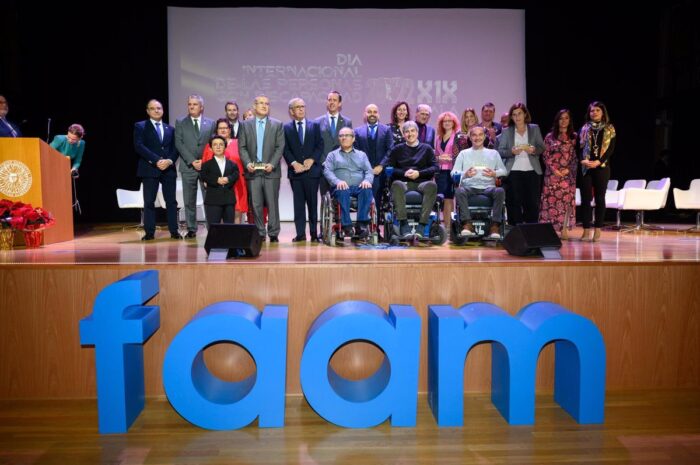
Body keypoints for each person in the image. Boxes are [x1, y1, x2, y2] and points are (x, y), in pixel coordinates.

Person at [379, 120, 438, 238]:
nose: (410, 134)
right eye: (407, 132)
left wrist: (419, 173)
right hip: (403, 183)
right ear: (403, 134)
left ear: (417, 132)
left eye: (412, 131)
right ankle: (404, 224)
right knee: (396, 184)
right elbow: (389, 168)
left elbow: (435, 167)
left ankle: (422, 226)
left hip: (421, 183)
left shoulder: (426, 149)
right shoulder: (397, 149)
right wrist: (404, 173)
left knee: (432, 185)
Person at [238, 94, 285, 242]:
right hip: (253, 171)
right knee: (256, 204)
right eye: (261, 103)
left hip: (271, 171)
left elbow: (280, 147)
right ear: (254, 106)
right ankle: (260, 232)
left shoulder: (277, 124)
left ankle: (273, 232)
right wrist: (247, 163)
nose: (264, 106)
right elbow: (242, 147)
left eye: (267, 103)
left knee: (272, 203)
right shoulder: (245, 125)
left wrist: (272, 163)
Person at [133, 99, 179, 240]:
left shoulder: (170, 129)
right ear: (148, 111)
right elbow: (139, 146)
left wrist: (169, 161)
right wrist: (157, 160)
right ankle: (149, 232)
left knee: (171, 202)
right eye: (152, 108)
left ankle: (174, 231)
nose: (156, 110)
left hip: (168, 169)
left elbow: (175, 148)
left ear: (163, 110)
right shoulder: (140, 126)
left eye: (159, 108)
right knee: (149, 201)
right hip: (149, 168)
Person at [452, 125, 507, 239]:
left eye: (480, 135)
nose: (477, 138)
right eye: (474, 135)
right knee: (459, 191)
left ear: (485, 136)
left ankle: (495, 226)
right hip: (469, 186)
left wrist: (494, 173)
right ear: (470, 137)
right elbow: (453, 173)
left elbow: (504, 171)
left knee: (500, 191)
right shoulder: (463, 153)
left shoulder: (493, 153)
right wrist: (465, 174)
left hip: (488, 187)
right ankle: (467, 224)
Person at [496, 102, 545, 225]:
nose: (517, 117)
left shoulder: (534, 128)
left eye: (519, 114)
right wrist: (511, 152)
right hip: (513, 172)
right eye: (514, 114)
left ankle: (531, 230)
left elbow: (542, 147)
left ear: (525, 114)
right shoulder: (507, 131)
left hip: (532, 171)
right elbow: (500, 151)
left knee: (532, 203)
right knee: (514, 203)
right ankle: (515, 230)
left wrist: (534, 150)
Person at [283, 97, 323, 242]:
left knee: (312, 204)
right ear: (291, 111)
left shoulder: (315, 125)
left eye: (303, 106)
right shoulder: (286, 128)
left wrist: (312, 159)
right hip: (296, 173)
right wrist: (294, 163)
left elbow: (320, 145)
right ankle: (300, 234)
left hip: (312, 173)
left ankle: (313, 233)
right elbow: (285, 148)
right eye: (298, 107)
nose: (301, 109)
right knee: (298, 205)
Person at [175, 94, 214, 239]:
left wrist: (204, 161)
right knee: (189, 199)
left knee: (209, 199)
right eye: (189, 104)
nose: (191, 106)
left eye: (195, 104)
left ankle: (212, 227)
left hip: (206, 167)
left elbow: (212, 145)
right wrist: (192, 161)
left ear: (201, 107)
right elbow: (179, 143)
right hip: (188, 166)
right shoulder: (180, 122)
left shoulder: (210, 123)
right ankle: (192, 228)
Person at [323, 127, 374, 238]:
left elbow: (369, 171)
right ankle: (346, 226)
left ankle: (361, 224)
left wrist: (367, 180)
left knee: (367, 189)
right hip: (341, 187)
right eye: (341, 136)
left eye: (347, 135)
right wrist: (337, 181)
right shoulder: (332, 155)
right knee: (343, 190)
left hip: (359, 186)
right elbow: (327, 171)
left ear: (353, 138)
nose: (344, 138)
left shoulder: (361, 155)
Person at [579, 101, 616, 242]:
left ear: (602, 113)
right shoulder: (584, 128)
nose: (594, 113)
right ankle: (586, 230)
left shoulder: (610, 128)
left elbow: (611, 149)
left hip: (602, 167)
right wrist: (582, 160)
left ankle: (598, 230)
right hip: (586, 167)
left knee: (600, 198)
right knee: (585, 199)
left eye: (597, 110)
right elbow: (578, 148)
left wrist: (599, 161)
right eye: (592, 111)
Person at [539, 109, 578, 239]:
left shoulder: (574, 137)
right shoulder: (550, 137)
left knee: (566, 202)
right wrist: (553, 169)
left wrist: (569, 169)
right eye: (561, 118)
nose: (563, 121)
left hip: (567, 175)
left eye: (566, 118)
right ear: (557, 120)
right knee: (550, 202)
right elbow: (545, 155)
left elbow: (576, 157)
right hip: (552, 175)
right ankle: (549, 229)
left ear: (569, 120)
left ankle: (564, 229)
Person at [201, 118, 248, 224]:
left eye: (225, 128)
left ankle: (234, 233)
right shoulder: (209, 146)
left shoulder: (239, 143)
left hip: (237, 182)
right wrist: (210, 180)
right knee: (216, 214)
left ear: (230, 130)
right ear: (216, 130)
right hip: (216, 185)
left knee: (236, 211)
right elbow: (205, 166)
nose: (223, 130)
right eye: (220, 128)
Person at [353, 103, 393, 211]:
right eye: (369, 112)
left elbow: (390, 150)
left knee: (377, 199)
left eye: (375, 112)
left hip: (380, 172)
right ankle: (363, 220)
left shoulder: (386, 130)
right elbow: (355, 151)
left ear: (378, 114)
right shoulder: (357, 131)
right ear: (365, 114)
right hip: (363, 172)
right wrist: (366, 168)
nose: (372, 114)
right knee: (364, 198)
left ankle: (376, 222)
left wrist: (381, 166)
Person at [315, 90, 352, 197]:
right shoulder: (317, 122)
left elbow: (349, 144)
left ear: (339, 103)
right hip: (323, 166)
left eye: (334, 100)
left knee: (341, 198)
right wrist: (323, 161)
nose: (331, 102)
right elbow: (316, 144)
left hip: (341, 167)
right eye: (329, 100)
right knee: (325, 198)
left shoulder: (347, 122)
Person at [200, 135, 239, 228]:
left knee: (229, 228)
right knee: (214, 229)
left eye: (221, 144)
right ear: (211, 148)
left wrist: (228, 179)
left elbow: (236, 174)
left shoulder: (232, 164)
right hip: (213, 201)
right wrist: (216, 180)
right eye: (215, 145)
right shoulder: (206, 165)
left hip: (229, 201)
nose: (218, 147)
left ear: (225, 147)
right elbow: (204, 176)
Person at [433, 111, 460, 233]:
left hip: (452, 171)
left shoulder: (458, 136)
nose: (447, 123)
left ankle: (449, 228)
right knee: (442, 199)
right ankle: (444, 226)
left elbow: (461, 154)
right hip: (440, 173)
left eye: (449, 121)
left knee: (449, 198)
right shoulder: (438, 138)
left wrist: (451, 158)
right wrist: (439, 158)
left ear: (454, 123)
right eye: (445, 121)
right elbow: (435, 155)